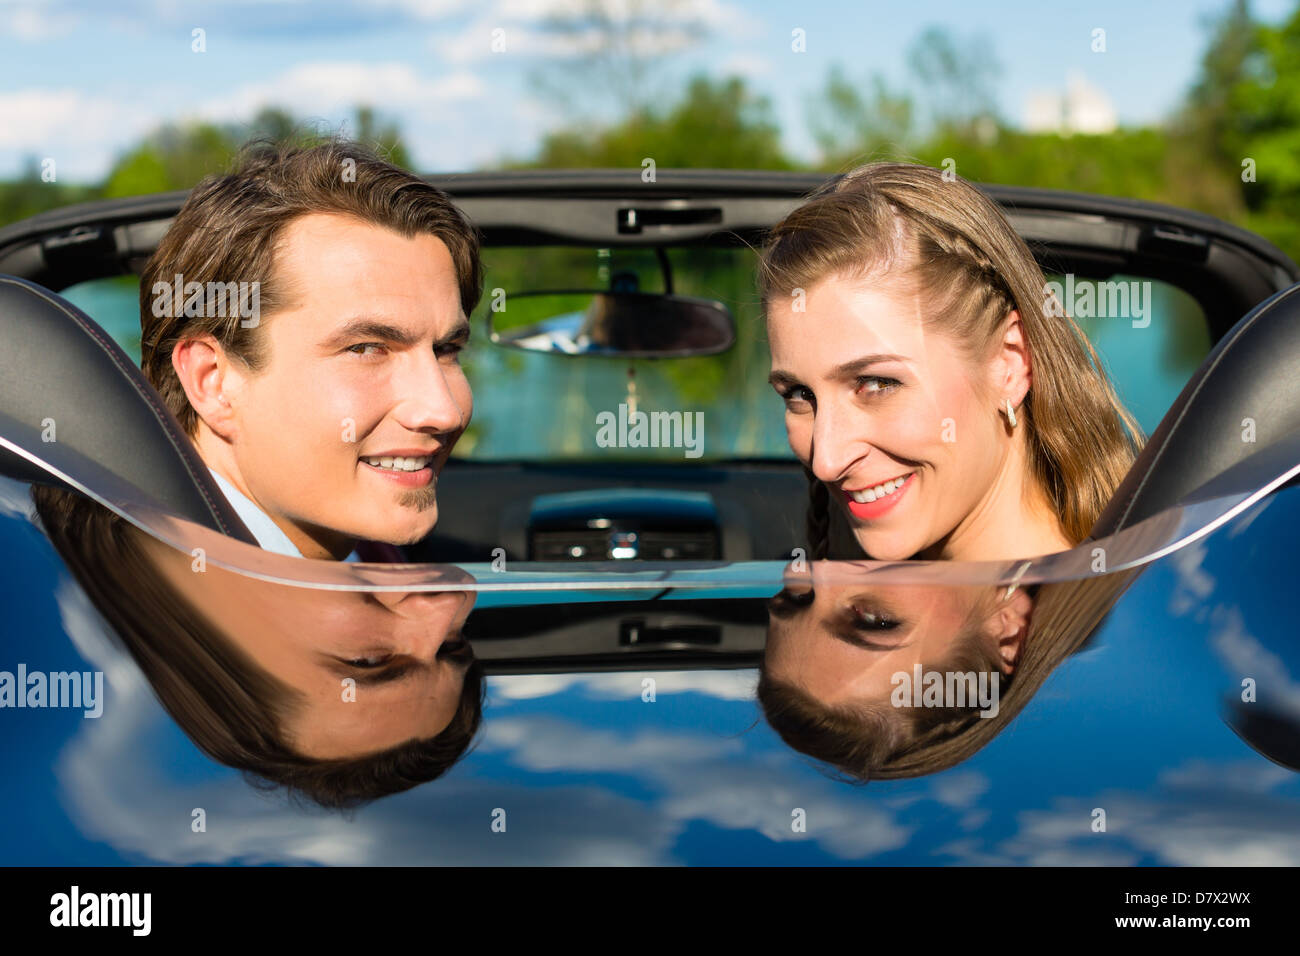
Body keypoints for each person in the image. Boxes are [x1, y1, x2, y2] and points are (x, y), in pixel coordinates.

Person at [761, 162, 1143, 562]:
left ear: (1008, 365)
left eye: (876, 384)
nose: (826, 461)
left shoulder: (1094, 620)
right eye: (800, 394)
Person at [139, 138, 482, 560]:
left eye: (447, 349)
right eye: (367, 348)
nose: (442, 411)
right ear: (213, 380)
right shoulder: (146, 601)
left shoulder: (367, 560)